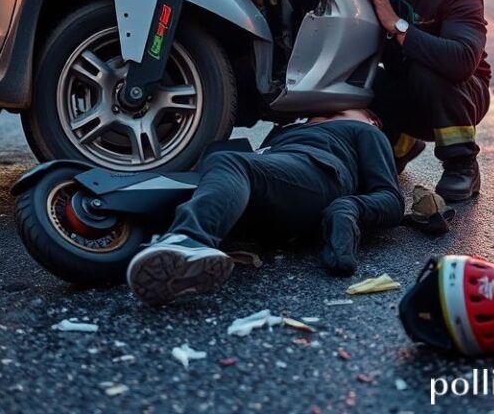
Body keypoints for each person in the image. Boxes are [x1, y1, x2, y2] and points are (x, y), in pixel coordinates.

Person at [127, 109, 404, 307]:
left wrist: (348, 208)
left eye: (340, 112)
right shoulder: (286, 130)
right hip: (273, 189)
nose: (326, 113)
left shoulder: (366, 131)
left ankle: (191, 240)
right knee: (213, 168)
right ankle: (154, 258)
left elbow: (391, 198)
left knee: (230, 162)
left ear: (373, 120)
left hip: (317, 174)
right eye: (319, 113)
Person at [356, 0, 491, 202]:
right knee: (365, 79)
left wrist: (396, 24)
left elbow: (461, 61)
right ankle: (401, 143)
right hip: (404, 84)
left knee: (428, 71)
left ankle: (462, 165)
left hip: (461, 94)